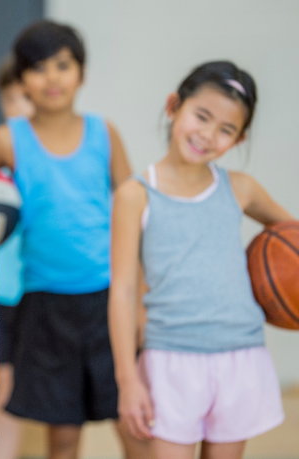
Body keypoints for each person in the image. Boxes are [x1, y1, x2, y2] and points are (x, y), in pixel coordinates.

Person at [0, 20, 145, 459]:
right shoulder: (5, 140)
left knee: (135, 427)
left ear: (81, 74)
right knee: (63, 436)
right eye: (39, 68)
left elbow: (133, 213)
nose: (51, 78)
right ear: (22, 79)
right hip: (45, 306)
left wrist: (140, 299)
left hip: (107, 301)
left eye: (63, 66)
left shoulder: (105, 134)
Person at [110, 61, 291, 459]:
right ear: (174, 105)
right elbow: (122, 292)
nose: (208, 134)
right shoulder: (135, 195)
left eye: (226, 129)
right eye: (201, 116)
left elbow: (291, 234)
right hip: (171, 358)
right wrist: (127, 380)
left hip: (240, 356)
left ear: (239, 138)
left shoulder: (240, 189)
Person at [0, 55, 33, 459]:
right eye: (14, 99)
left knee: (13, 386)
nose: (23, 109)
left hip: (28, 287)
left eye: (29, 99)